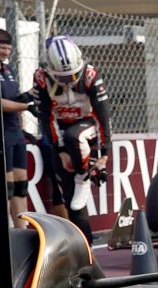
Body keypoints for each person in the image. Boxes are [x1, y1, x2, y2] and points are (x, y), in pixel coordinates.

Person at [29, 36, 114, 239]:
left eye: (73, 75)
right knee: (71, 200)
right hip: (60, 134)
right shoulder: (41, 78)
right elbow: (45, 116)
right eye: (63, 77)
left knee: (73, 136)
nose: (69, 80)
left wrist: (104, 152)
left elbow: (103, 115)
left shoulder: (91, 75)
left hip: (88, 127)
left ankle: (83, 176)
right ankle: (86, 247)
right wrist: (59, 151)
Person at [0, 27, 35, 225]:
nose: (6, 53)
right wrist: (26, 106)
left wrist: (27, 99)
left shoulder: (9, 70)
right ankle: (5, 233)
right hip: (1, 133)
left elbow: (14, 101)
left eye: (8, 49)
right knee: (7, 186)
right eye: (2, 48)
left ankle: (21, 229)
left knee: (21, 185)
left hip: (16, 133)